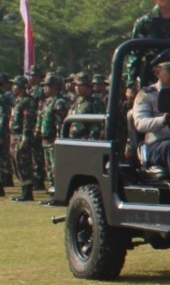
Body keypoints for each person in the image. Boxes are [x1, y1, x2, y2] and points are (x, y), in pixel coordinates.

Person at [132, 57, 170, 180]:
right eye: (169, 69)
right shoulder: (147, 94)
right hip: (157, 144)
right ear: (157, 72)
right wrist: (163, 120)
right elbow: (140, 123)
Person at [36, 73, 71, 204]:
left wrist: (59, 140)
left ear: (56, 87)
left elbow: (60, 124)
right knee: (50, 169)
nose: (45, 88)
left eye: (48, 86)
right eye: (44, 86)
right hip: (46, 140)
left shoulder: (59, 102)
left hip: (54, 140)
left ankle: (59, 196)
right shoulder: (47, 102)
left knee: (57, 169)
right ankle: (53, 195)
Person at [9, 77, 39, 201]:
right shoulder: (18, 101)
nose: (13, 87)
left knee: (23, 165)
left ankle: (27, 193)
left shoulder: (27, 101)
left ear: (21, 87)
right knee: (16, 165)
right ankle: (23, 191)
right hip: (14, 136)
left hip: (21, 136)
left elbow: (28, 121)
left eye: (15, 85)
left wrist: (25, 138)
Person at [67, 72, 105, 140]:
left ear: (87, 86)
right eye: (75, 85)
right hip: (73, 141)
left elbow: (97, 126)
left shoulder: (95, 103)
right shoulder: (76, 101)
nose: (77, 88)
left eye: (80, 85)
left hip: (85, 142)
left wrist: (91, 141)